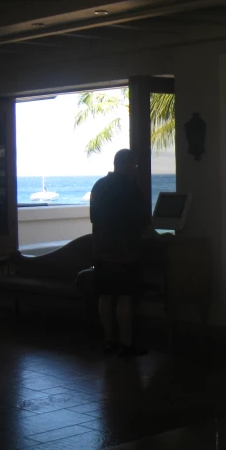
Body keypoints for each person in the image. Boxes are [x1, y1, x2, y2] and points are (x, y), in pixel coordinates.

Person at [90, 149, 151, 356]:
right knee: (125, 296)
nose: (135, 169)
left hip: (101, 250)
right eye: (134, 165)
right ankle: (126, 344)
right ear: (127, 165)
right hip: (125, 252)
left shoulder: (98, 186)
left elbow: (93, 218)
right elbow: (143, 222)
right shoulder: (131, 189)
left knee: (105, 296)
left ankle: (109, 341)